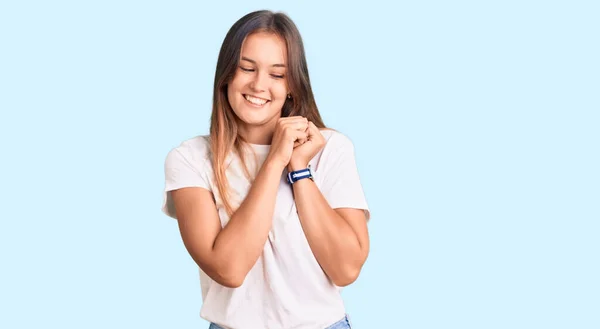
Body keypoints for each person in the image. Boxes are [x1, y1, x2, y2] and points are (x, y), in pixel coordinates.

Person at [161, 9, 370, 329]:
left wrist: (299, 169)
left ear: (292, 86)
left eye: (277, 74)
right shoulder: (191, 159)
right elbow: (229, 269)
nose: (259, 84)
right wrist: (275, 161)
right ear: (227, 74)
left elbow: (346, 269)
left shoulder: (330, 149)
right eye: (247, 68)